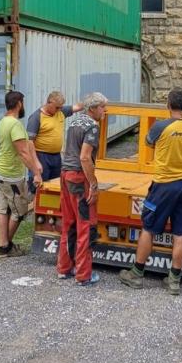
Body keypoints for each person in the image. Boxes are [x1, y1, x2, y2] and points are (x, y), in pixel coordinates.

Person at [119, 87, 182, 295]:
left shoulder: (161, 126)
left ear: (168, 105)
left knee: (149, 228)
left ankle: (136, 274)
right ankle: (174, 280)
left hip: (163, 186)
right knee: (181, 233)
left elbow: (148, 142)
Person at [57, 91, 108, 286]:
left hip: (65, 174)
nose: (105, 110)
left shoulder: (74, 122)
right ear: (93, 108)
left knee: (68, 223)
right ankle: (83, 275)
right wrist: (93, 184)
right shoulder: (92, 127)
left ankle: (64, 268)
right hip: (79, 178)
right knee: (85, 226)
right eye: (102, 107)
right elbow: (85, 157)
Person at [0, 90, 42, 258]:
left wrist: (35, 161)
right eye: (23, 103)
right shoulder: (15, 124)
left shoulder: (3, 121)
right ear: (19, 103)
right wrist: (36, 172)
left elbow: (27, 144)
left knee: (4, 209)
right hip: (11, 176)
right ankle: (6, 247)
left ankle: (3, 245)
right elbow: (22, 152)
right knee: (19, 212)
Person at [26, 91, 83, 193]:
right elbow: (30, 142)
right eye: (57, 107)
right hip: (41, 156)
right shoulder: (36, 117)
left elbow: (78, 107)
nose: (59, 110)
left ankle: (52, 208)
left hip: (56, 157)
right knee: (40, 186)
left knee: (55, 185)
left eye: (61, 107)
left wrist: (93, 102)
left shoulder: (60, 111)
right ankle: (36, 206)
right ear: (49, 102)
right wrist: (36, 163)